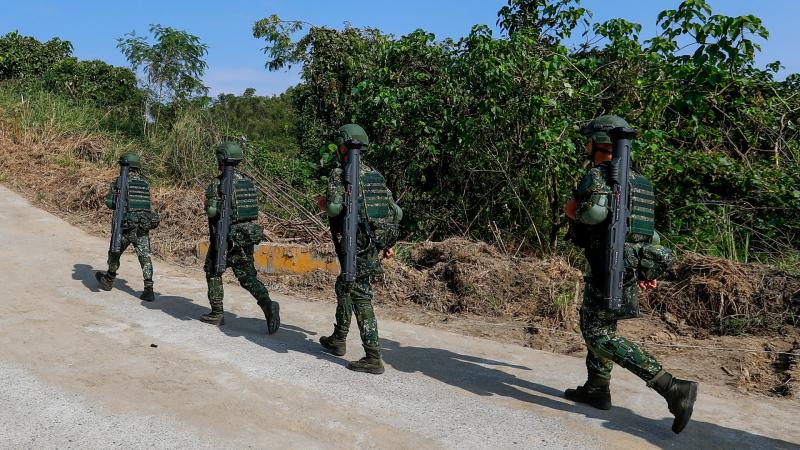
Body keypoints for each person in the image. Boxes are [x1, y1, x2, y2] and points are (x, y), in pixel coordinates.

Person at [563, 115, 698, 434]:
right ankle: (597, 387)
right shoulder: (640, 181)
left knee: (598, 333)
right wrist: (642, 268)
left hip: (608, 262)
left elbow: (594, 214)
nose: (586, 146)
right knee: (597, 320)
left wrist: (572, 209)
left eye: (589, 141)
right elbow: (648, 233)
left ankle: (672, 387)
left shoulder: (598, 174)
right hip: (628, 263)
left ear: (600, 143)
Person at [317, 124, 403, 374]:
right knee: (344, 284)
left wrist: (325, 203)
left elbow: (334, 209)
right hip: (371, 243)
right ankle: (338, 338)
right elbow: (395, 212)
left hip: (354, 244)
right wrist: (386, 244)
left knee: (360, 295)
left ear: (343, 146)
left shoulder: (339, 173)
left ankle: (373, 356)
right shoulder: (374, 175)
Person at [200, 141, 280, 334]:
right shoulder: (248, 183)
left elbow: (212, 212)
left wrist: (211, 203)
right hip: (245, 237)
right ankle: (268, 304)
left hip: (225, 237)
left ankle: (217, 312)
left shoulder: (217, 183)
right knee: (247, 276)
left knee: (212, 270)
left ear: (221, 159)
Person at [96, 153, 159, 302]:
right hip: (142, 225)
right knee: (145, 257)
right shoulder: (145, 183)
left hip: (125, 226)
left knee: (114, 252)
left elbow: (111, 203)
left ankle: (109, 279)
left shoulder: (120, 181)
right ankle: (148, 289)